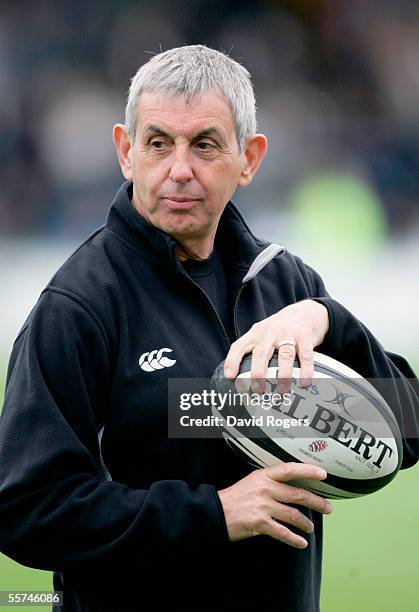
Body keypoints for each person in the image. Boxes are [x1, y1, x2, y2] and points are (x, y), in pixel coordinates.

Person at [0, 45, 417, 612]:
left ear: (248, 159)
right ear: (126, 152)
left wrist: (328, 318)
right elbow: (28, 508)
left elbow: (406, 432)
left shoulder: (285, 282)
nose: (179, 169)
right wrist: (214, 514)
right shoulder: (79, 306)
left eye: (204, 145)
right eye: (157, 144)